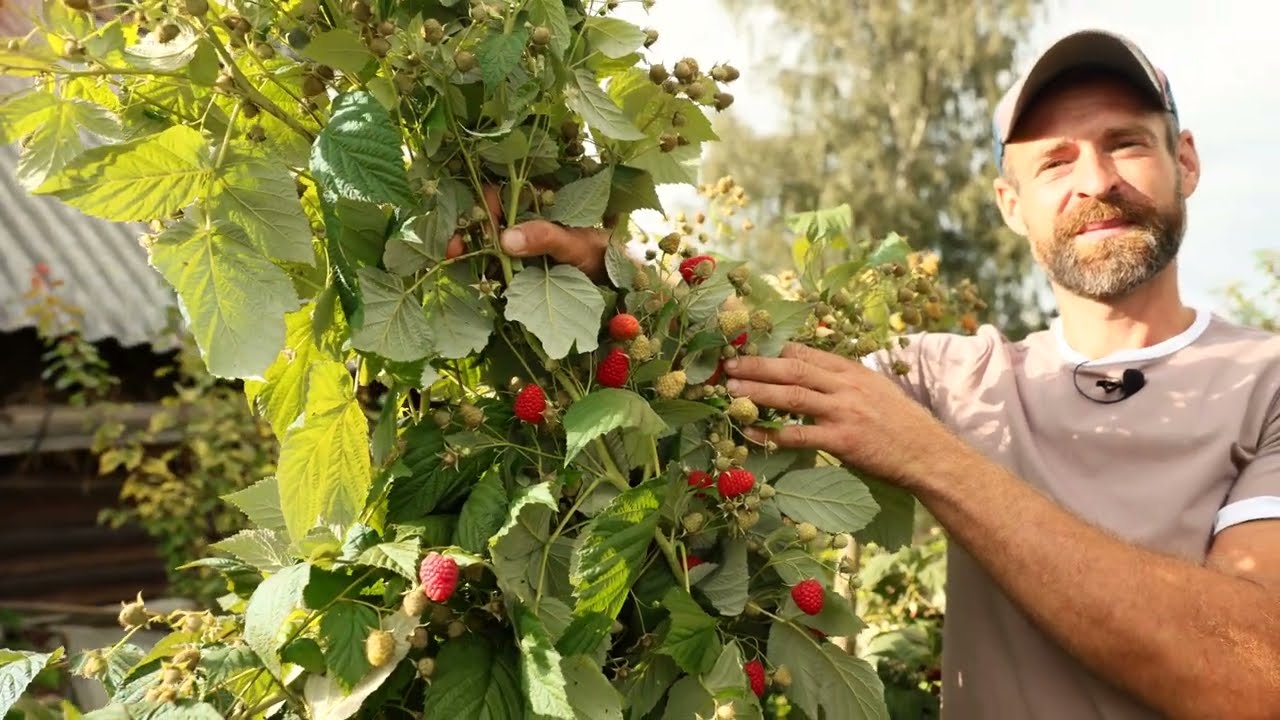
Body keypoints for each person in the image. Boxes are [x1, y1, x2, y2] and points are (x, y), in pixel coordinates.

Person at [498, 28, 1280, 718]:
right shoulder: (948, 374)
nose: (1096, 180)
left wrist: (933, 457)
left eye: (1127, 143)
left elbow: (1253, 685)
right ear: (1011, 203)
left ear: (1186, 160)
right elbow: (743, 369)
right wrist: (608, 273)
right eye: (1056, 161)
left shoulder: (1266, 383)